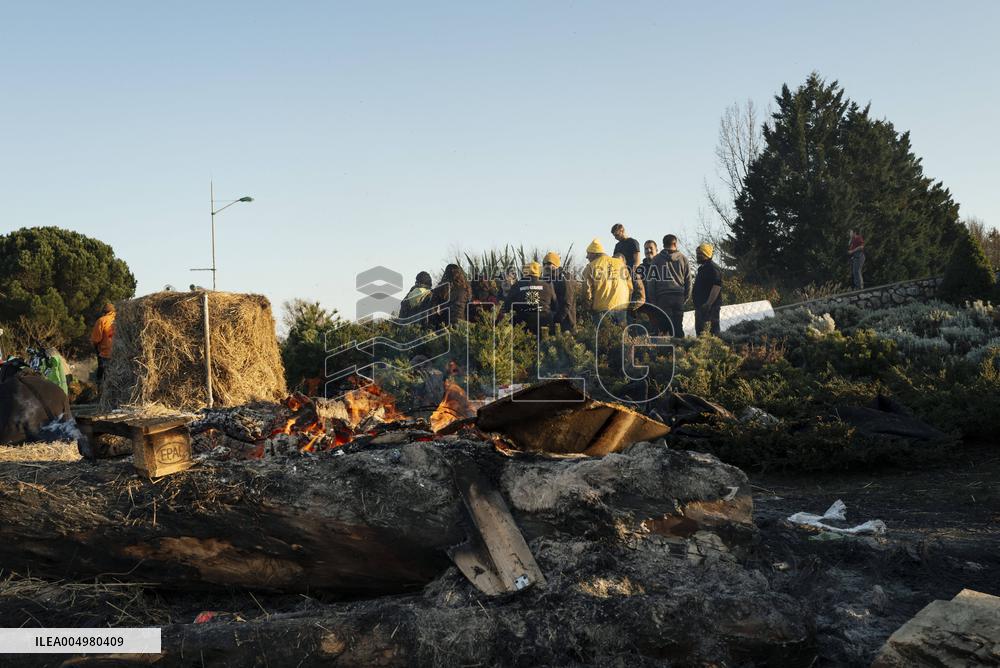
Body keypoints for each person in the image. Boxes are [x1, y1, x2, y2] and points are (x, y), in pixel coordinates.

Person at [648, 235, 691, 337]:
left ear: (663, 245)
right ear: (675, 243)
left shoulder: (656, 259)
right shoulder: (683, 259)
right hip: (678, 296)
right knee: (678, 327)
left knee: (664, 328)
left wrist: (653, 301)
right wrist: (685, 297)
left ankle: (666, 346)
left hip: (663, 297)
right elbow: (688, 281)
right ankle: (680, 345)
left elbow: (651, 282)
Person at [582, 239, 632, 325]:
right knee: (621, 333)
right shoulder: (620, 264)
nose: (587, 257)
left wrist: (587, 308)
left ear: (594, 253)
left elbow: (586, 291)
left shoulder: (591, 266)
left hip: (601, 310)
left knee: (602, 333)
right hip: (622, 309)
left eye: (588, 253)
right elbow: (630, 287)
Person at [503, 261, 557, 332]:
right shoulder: (548, 285)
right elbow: (555, 306)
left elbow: (507, 307)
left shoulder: (516, 286)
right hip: (545, 325)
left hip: (523, 327)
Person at [692, 243, 723, 336]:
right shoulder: (702, 268)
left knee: (712, 333)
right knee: (700, 334)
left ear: (706, 254)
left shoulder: (713, 268)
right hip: (700, 307)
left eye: (700, 254)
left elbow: (717, 286)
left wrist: (708, 304)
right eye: (697, 253)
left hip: (710, 308)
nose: (697, 256)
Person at [542, 251, 577, 334]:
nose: (546, 266)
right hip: (554, 324)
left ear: (556, 265)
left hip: (566, 324)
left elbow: (567, 303)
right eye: (544, 264)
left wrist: (556, 320)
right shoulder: (548, 279)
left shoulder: (565, 279)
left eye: (549, 263)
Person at [90, 302, 116, 387]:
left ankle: (100, 389)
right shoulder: (119, 319)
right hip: (119, 353)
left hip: (105, 353)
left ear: (104, 311)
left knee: (102, 374)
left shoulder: (102, 320)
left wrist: (94, 344)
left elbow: (96, 339)